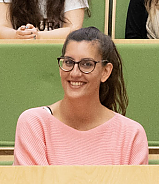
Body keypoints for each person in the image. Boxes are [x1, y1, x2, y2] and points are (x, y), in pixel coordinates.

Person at [14, 27, 148, 165]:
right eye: (68, 62)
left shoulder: (131, 134)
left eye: (87, 64)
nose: (75, 73)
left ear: (105, 72)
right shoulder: (34, 123)